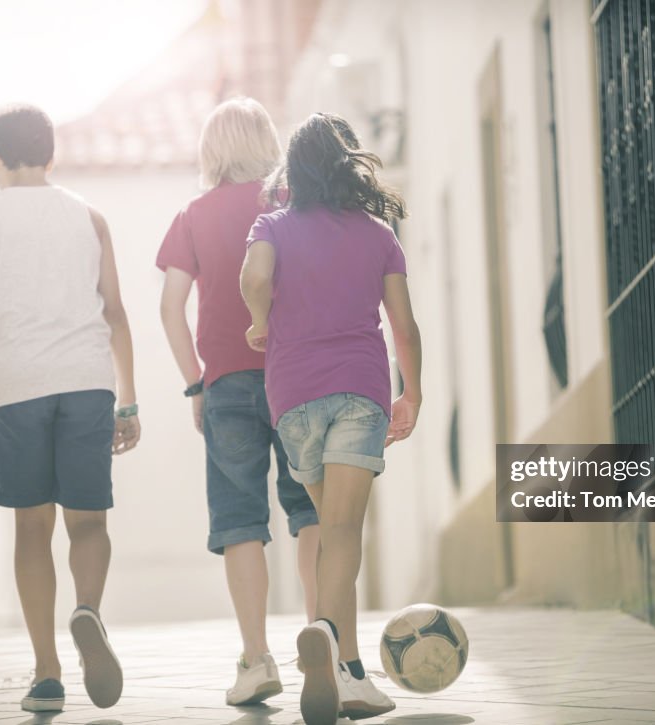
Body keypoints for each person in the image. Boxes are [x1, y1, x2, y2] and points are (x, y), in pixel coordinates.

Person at [0, 105, 140, 712]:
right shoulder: (90, 217)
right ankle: (87, 609)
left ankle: (47, 672)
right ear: (52, 155)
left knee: (32, 532)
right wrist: (128, 398)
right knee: (89, 523)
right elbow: (114, 311)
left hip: (21, 385)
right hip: (88, 383)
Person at [240, 112, 422, 725]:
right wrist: (412, 393)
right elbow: (404, 324)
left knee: (328, 527)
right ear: (348, 165)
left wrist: (261, 321)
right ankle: (331, 644)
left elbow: (255, 276)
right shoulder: (377, 232)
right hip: (358, 393)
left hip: (291, 397)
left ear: (295, 170)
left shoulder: (271, 224)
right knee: (345, 533)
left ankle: (347, 669)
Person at [157, 97, 320, 706]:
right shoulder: (293, 204)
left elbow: (170, 307)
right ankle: (321, 635)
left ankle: (256, 661)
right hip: (299, 377)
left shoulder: (193, 215)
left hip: (226, 385)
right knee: (311, 510)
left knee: (240, 522)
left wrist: (195, 380)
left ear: (212, 151)